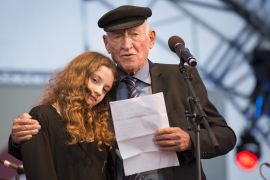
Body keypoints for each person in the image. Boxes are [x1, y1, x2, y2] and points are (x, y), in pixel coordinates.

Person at [9, 5, 236, 180]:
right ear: (107, 45)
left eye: (135, 35)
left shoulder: (180, 77)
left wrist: (189, 141)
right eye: (118, 37)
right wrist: (19, 140)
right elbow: (64, 140)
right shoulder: (99, 91)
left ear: (151, 39)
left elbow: (224, 136)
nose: (127, 44)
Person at [17, 51, 118, 180]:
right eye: (95, 80)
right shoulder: (43, 116)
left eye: (105, 89)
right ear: (78, 75)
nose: (99, 91)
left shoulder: (100, 127)